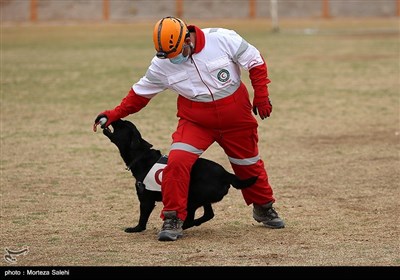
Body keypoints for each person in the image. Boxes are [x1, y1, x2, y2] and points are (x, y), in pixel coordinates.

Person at [94, 16, 285, 242]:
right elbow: (139, 94)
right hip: (196, 121)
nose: (172, 59)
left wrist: (261, 94)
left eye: (175, 53)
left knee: (248, 164)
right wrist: (114, 113)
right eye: (168, 55)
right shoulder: (161, 63)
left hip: (236, 117)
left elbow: (255, 60)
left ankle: (263, 207)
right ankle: (173, 217)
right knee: (177, 162)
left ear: (187, 39)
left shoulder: (222, 38)